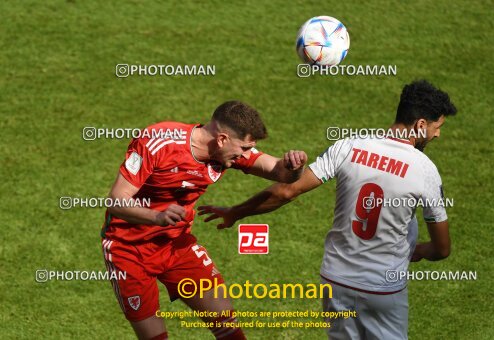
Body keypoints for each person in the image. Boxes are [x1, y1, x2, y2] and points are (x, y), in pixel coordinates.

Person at [198, 80, 457, 339]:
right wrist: (418, 250)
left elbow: (287, 190)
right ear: (421, 124)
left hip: (335, 282)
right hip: (383, 290)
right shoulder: (425, 170)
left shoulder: (349, 146)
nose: (437, 135)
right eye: (437, 127)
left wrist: (236, 212)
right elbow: (441, 249)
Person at [101, 101, 307, 340]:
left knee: (228, 327)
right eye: (244, 147)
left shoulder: (227, 152)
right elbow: (116, 200)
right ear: (221, 139)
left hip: (176, 245)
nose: (245, 155)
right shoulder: (158, 142)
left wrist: (295, 167)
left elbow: (281, 173)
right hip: (128, 250)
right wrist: (156, 217)